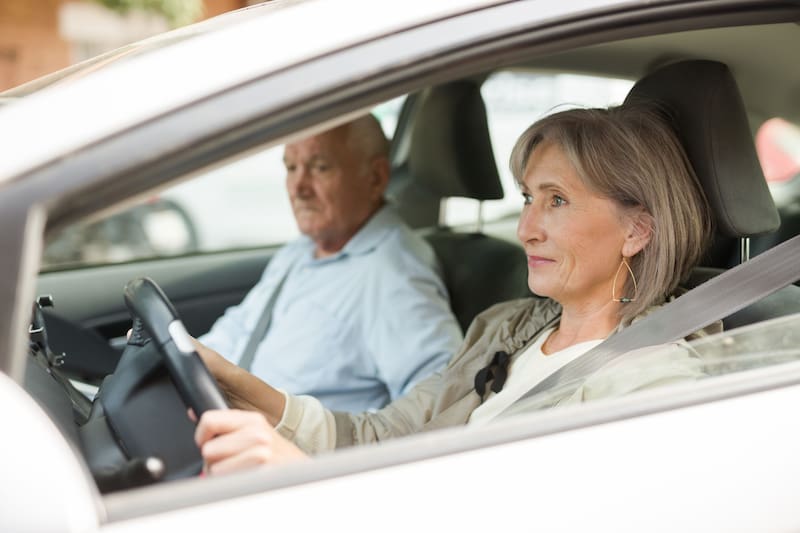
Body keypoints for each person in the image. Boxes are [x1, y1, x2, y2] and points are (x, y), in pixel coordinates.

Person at [192, 104, 720, 475]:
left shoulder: (651, 384)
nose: (525, 228)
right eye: (528, 198)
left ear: (637, 231)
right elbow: (384, 435)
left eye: (556, 200)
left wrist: (303, 479)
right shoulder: (507, 328)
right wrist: (237, 385)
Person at [198, 114, 463, 413]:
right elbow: (239, 330)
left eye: (319, 167)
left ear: (375, 178)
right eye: (291, 167)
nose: (298, 187)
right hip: (221, 420)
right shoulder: (302, 250)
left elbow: (440, 404)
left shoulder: (394, 273)